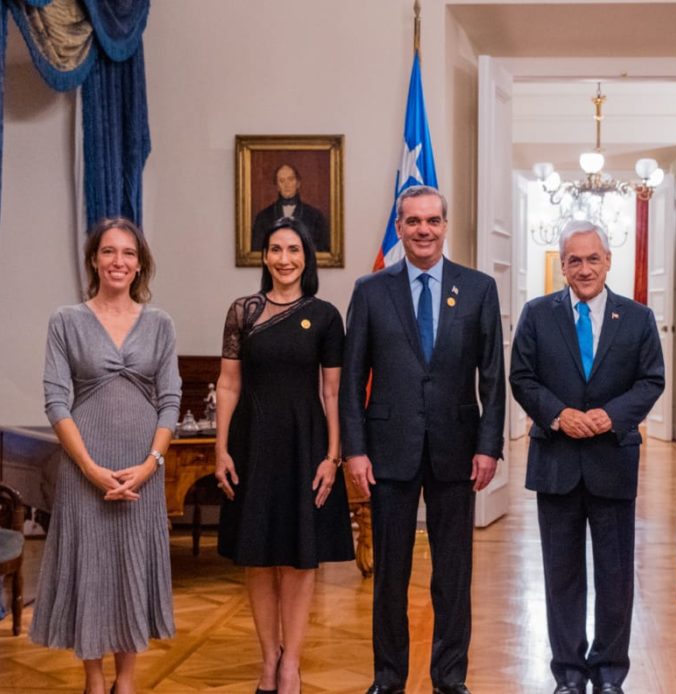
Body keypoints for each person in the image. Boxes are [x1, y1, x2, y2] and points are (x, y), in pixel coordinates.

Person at [340, 185, 505, 694]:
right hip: (388, 451)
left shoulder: (477, 288)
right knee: (390, 575)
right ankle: (388, 678)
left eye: (432, 220)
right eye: (413, 221)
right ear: (399, 227)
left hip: (458, 451)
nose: (423, 230)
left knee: (453, 576)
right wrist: (355, 449)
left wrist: (488, 445)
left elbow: (493, 377)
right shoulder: (371, 290)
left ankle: (450, 679)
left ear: (445, 225)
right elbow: (351, 379)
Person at [509, 220, 665, 694]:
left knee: (616, 577)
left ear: (608, 261)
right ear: (562, 265)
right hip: (556, 461)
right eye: (573, 260)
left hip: (612, 460)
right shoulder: (537, 314)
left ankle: (611, 672)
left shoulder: (636, 317)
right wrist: (558, 415)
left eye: (592, 258)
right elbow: (522, 377)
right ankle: (570, 675)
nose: (583, 268)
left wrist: (608, 416)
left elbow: (651, 380)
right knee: (562, 577)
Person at [32, 218, 181, 694]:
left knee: (132, 567)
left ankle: (127, 681)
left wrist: (149, 465)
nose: (120, 262)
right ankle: (94, 681)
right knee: (92, 570)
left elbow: (171, 401)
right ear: (94, 260)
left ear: (140, 265)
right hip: (84, 469)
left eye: (129, 254)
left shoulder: (160, 324)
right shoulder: (66, 320)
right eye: (110, 252)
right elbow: (56, 400)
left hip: (143, 468)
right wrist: (90, 468)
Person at [214, 218, 354, 694]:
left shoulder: (327, 316)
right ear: (265, 257)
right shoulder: (243, 311)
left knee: (298, 560)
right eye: (275, 249)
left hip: (306, 444)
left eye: (293, 249)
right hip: (251, 444)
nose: (284, 258)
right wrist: (220, 448)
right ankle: (267, 658)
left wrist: (332, 457)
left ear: (306, 257)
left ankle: (291, 663)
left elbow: (333, 393)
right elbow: (228, 383)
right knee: (258, 557)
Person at [252, 163, 330, 252]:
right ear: (277, 186)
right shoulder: (263, 217)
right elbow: (257, 252)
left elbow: (322, 252)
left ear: (298, 183)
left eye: (290, 179)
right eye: (282, 180)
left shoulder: (316, 217)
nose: (287, 184)